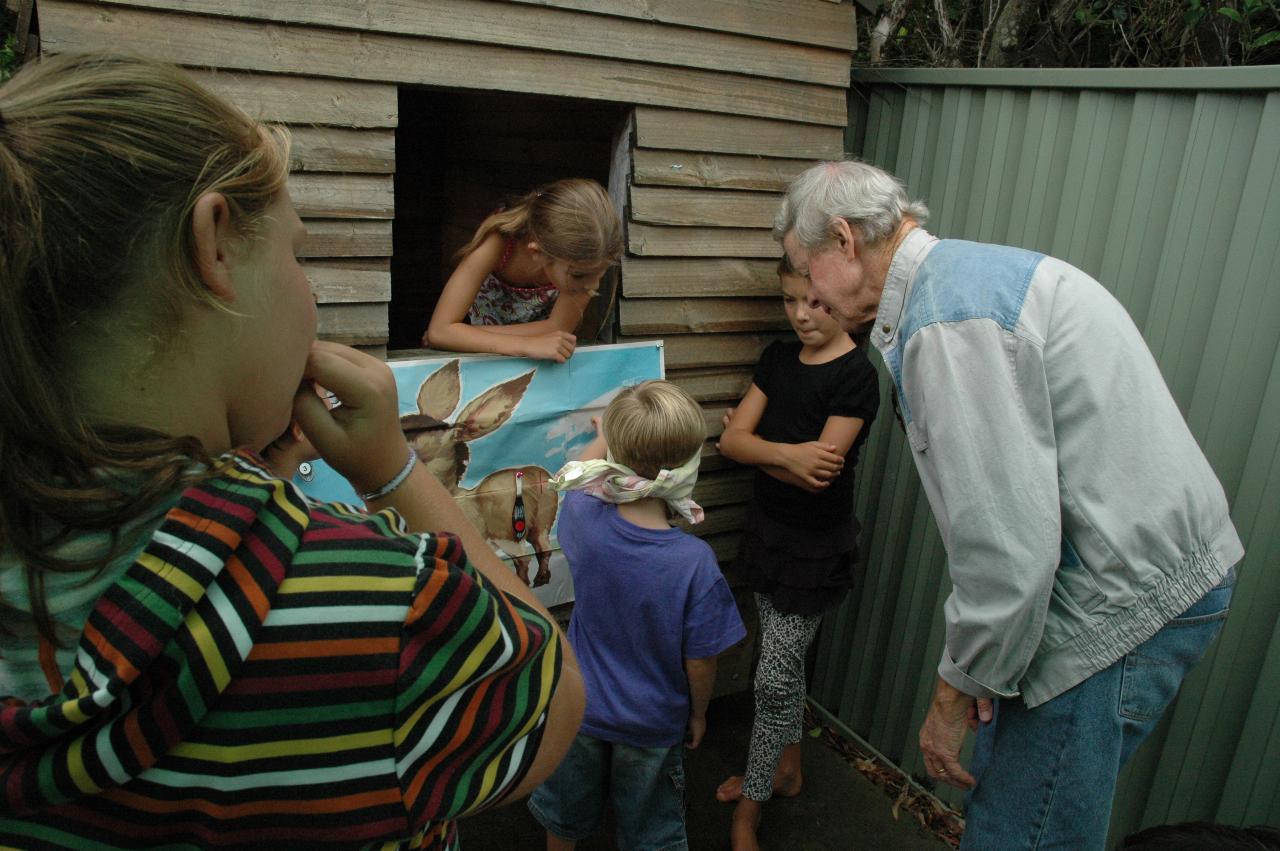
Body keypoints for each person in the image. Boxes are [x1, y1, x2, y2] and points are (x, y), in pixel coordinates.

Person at [0, 53, 584, 850]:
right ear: (214, 246)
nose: (304, 286)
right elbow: (550, 696)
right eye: (296, 252)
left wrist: (251, 470)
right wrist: (395, 468)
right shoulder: (381, 610)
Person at [772, 160, 1243, 850]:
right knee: (1019, 795)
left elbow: (1009, 552)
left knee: (1019, 832)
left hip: (1113, 603)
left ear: (843, 239)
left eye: (804, 267)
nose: (807, 291)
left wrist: (951, 694)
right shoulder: (971, 278)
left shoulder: (949, 323)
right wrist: (992, 660)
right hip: (1143, 577)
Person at [529, 382, 747, 851]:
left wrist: (608, 432)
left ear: (616, 452)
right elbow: (701, 663)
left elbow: (585, 471)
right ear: (690, 462)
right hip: (652, 724)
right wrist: (700, 713)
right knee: (650, 831)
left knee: (563, 818)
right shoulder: (694, 562)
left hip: (578, 709)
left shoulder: (581, 516)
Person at [713, 257, 880, 850]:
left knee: (773, 682)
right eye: (791, 302)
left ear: (847, 302)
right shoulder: (779, 359)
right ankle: (787, 771)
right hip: (768, 532)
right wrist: (783, 454)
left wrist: (755, 445)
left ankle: (748, 812)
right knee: (780, 668)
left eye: (818, 304)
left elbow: (820, 474)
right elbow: (732, 442)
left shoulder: (856, 376)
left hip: (814, 548)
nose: (803, 315)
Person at [422, 178, 622, 363]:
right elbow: (440, 331)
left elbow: (557, 329)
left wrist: (462, 335)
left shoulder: (589, 258)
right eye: (578, 275)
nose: (593, 285)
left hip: (533, 353)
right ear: (537, 253)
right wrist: (525, 345)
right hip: (487, 356)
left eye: (602, 272)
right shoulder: (498, 240)